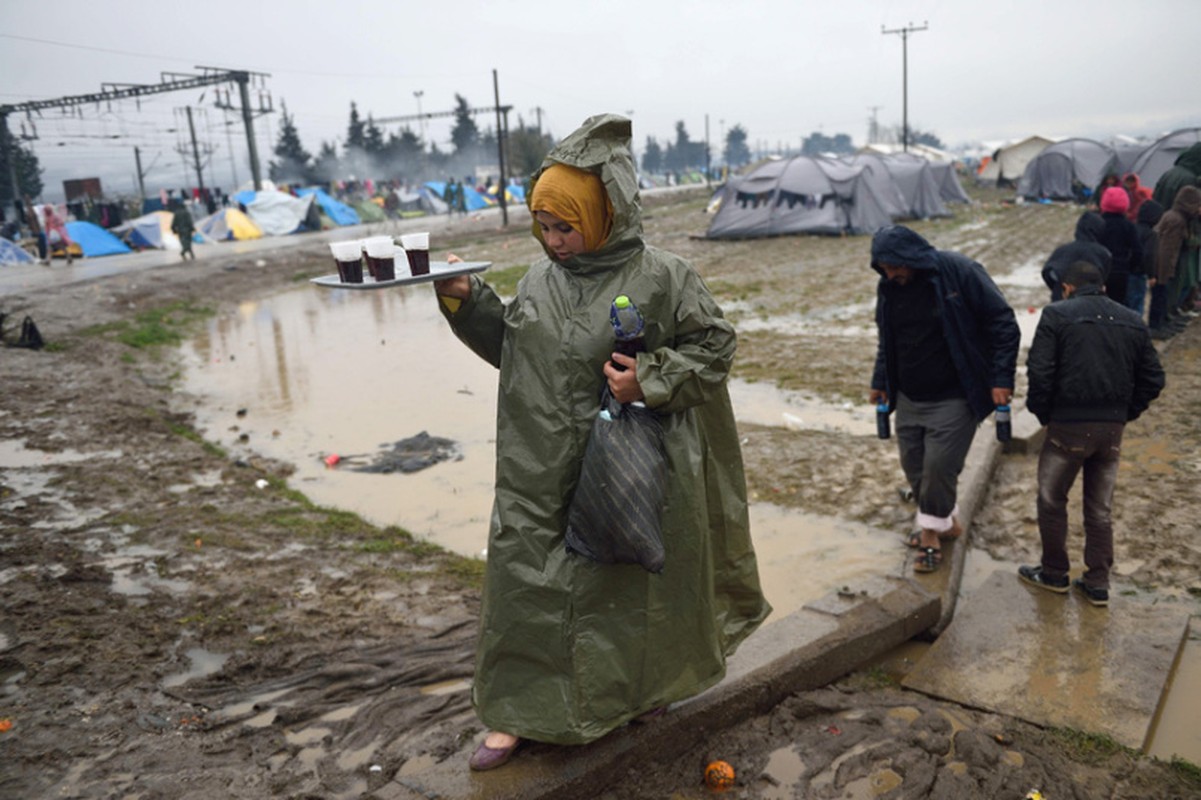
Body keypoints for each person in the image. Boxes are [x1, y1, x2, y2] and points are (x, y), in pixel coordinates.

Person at [432, 114, 770, 770]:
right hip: (535, 467)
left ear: (606, 212)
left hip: (626, 468)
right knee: (525, 584)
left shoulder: (663, 277)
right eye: (544, 226)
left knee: (627, 594)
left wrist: (647, 379)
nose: (554, 241)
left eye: (566, 226)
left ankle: (647, 691)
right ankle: (513, 715)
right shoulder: (536, 281)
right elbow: (516, 353)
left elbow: (714, 347)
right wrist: (468, 303)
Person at [869, 225, 1020, 573]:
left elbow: (1003, 322)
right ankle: (947, 522)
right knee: (914, 466)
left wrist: (1000, 378)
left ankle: (929, 538)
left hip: (956, 394)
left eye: (894, 266)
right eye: (883, 268)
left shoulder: (959, 273)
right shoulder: (889, 287)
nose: (890, 274)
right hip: (908, 393)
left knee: (939, 467)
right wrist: (880, 380)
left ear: (912, 259)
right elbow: (887, 338)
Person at [1019, 261, 1164, 607]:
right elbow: (1154, 379)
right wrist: (1125, 414)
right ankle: (1097, 582)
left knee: (1052, 500)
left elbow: (1039, 372)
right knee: (1100, 508)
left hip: (1067, 425)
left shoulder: (1056, 315)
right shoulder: (1132, 319)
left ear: (1067, 287)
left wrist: (1046, 414)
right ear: (1102, 287)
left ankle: (1054, 573)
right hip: (1111, 429)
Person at [1152, 185, 1201, 337]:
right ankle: (1157, 326)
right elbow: (1166, 250)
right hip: (1163, 267)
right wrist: (1164, 273)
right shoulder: (1176, 220)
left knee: (1163, 296)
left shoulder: (1175, 216)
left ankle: (1164, 321)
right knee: (1160, 296)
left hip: (1163, 266)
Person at [1041, 211, 1111, 303]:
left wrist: (1057, 287)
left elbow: (1047, 271)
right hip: (1091, 299)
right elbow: (1106, 277)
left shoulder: (1062, 250)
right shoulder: (1102, 253)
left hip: (1062, 298)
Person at [1093, 186, 1142, 307]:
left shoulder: (1097, 223)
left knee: (1098, 305)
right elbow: (1138, 251)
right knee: (1117, 305)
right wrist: (1130, 267)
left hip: (1099, 270)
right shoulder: (1129, 226)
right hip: (1120, 270)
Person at [1132, 199, 1164, 323]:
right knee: (1138, 303)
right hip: (1140, 273)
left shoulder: (1132, 228)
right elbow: (1150, 255)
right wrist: (1152, 275)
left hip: (1128, 271)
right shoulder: (1151, 235)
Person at [23, 195, 48, 265]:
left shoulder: (31, 210)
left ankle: (42, 257)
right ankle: (41, 257)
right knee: (39, 244)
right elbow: (31, 220)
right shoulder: (29, 211)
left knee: (40, 244)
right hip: (35, 231)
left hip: (37, 230)